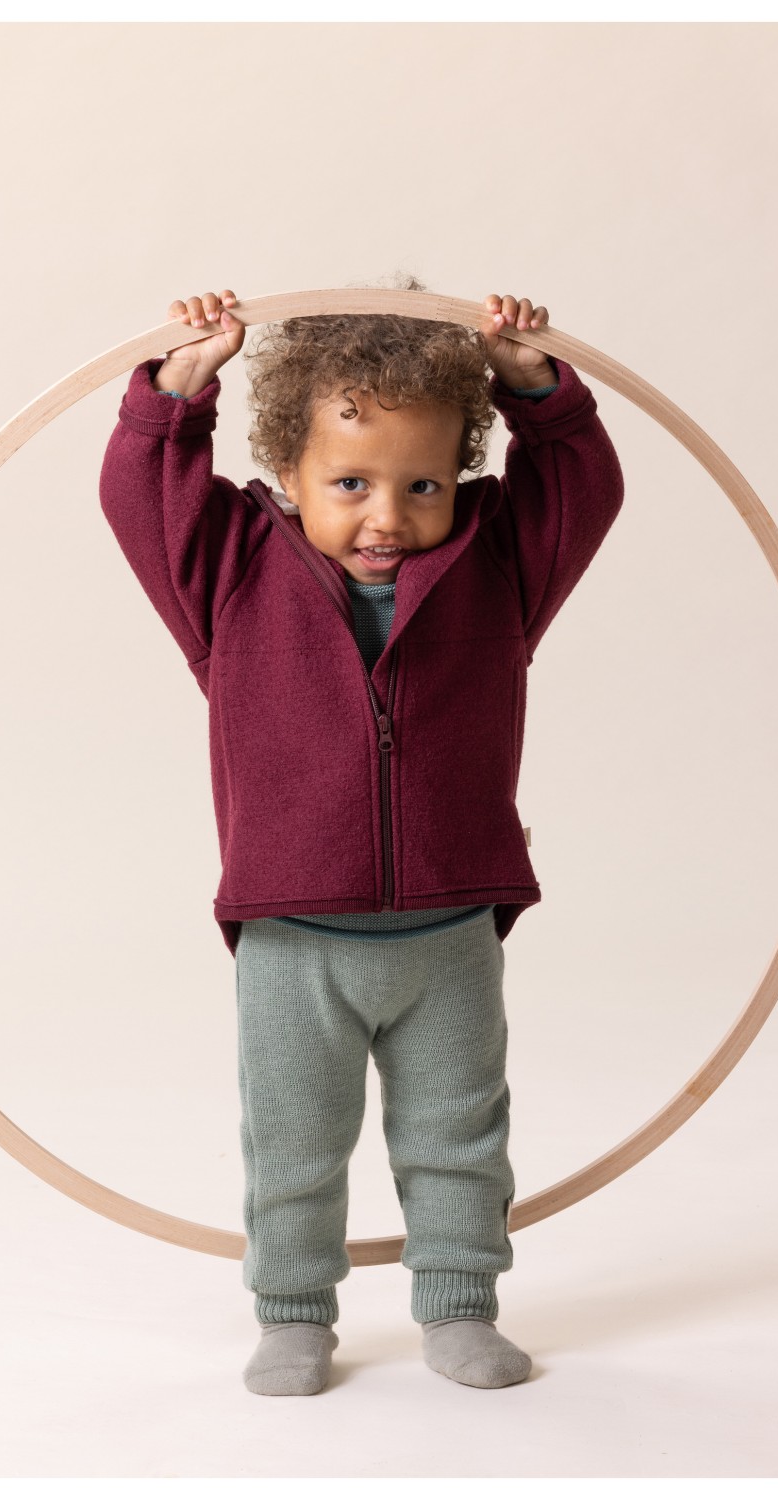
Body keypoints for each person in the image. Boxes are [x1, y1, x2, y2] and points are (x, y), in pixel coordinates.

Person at [100, 282, 625, 1395]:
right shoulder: (231, 578)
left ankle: (460, 1306)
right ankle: (293, 1315)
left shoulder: (496, 569)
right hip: (295, 938)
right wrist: (180, 392)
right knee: (293, 1146)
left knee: (459, 1140)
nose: (387, 516)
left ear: (460, 479)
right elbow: (142, 500)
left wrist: (534, 388)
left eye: (422, 484)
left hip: (450, 932)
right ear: (287, 476)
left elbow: (583, 490)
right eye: (349, 483)